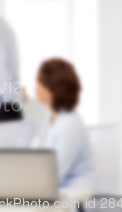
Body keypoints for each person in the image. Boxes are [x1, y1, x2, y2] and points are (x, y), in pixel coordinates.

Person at [35, 58, 93, 190]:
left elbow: (55, 174)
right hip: (52, 190)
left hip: (73, 198)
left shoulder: (70, 125)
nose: (36, 87)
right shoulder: (50, 116)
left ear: (50, 89)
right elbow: (40, 159)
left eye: (39, 83)